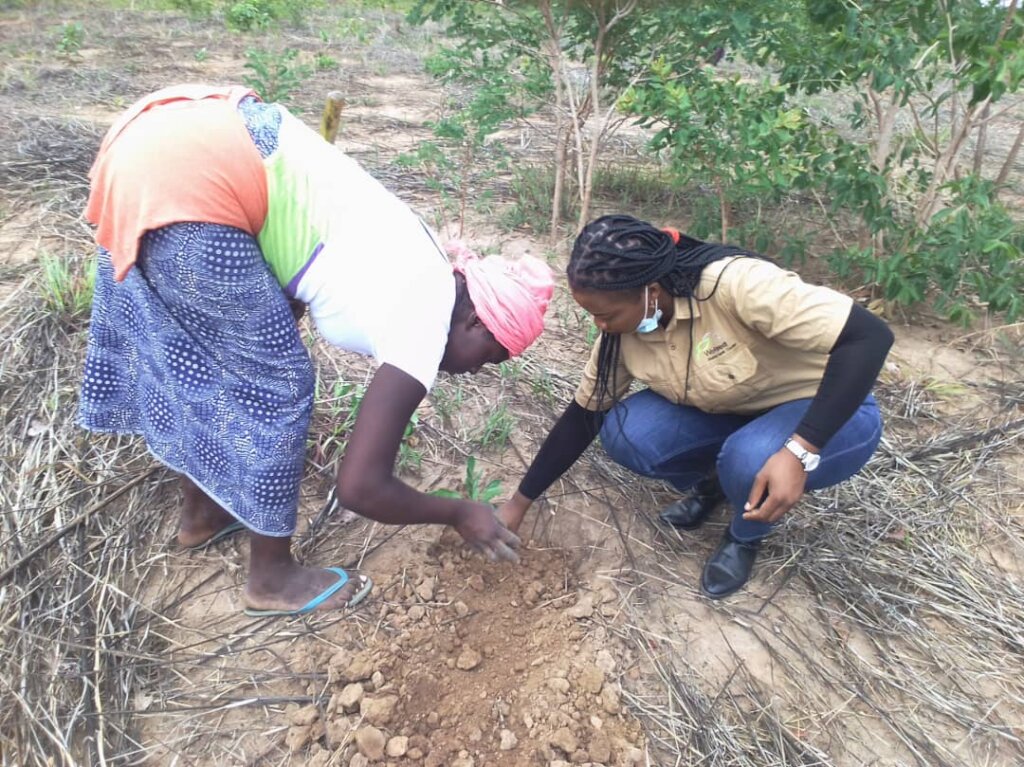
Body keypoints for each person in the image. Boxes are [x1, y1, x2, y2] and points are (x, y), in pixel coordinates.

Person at [79, 84, 554, 617]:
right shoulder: (427, 315)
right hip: (195, 180)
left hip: (162, 142)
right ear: (475, 321)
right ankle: (272, 579)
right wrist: (459, 512)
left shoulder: (419, 257)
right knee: (278, 385)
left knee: (209, 362)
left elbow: (296, 250)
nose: (473, 373)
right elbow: (361, 487)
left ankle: (203, 515)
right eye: (488, 358)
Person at [498, 215, 892, 598]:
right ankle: (721, 481)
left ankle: (744, 535)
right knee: (626, 431)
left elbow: (869, 338)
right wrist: (519, 504)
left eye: (606, 315)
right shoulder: (625, 333)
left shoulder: (737, 286)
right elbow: (584, 417)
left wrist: (801, 450)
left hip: (828, 409)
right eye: (593, 316)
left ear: (650, 289)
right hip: (737, 411)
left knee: (751, 458)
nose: (600, 326)